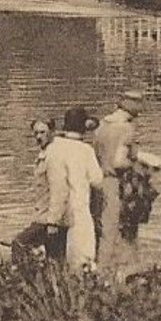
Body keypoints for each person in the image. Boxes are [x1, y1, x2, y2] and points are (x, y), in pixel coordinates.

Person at [92, 90, 144, 278]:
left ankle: (102, 273)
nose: (142, 108)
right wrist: (139, 164)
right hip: (120, 184)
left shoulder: (102, 125)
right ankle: (124, 275)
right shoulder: (127, 128)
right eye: (139, 103)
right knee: (126, 229)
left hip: (101, 182)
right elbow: (119, 162)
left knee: (105, 230)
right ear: (130, 105)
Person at [46, 107, 104, 272]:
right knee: (82, 258)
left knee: (57, 258)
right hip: (78, 210)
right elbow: (97, 181)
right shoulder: (85, 150)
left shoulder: (53, 148)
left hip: (54, 211)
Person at [10, 118, 65, 262]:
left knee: (19, 243)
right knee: (52, 257)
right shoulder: (44, 155)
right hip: (42, 216)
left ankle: (20, 279)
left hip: (48, 220)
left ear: (52, 132)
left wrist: (53, 222)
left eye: (42, 132)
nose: (39, 137)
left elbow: (58, 190)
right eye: (36, 133)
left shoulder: (53, 157)